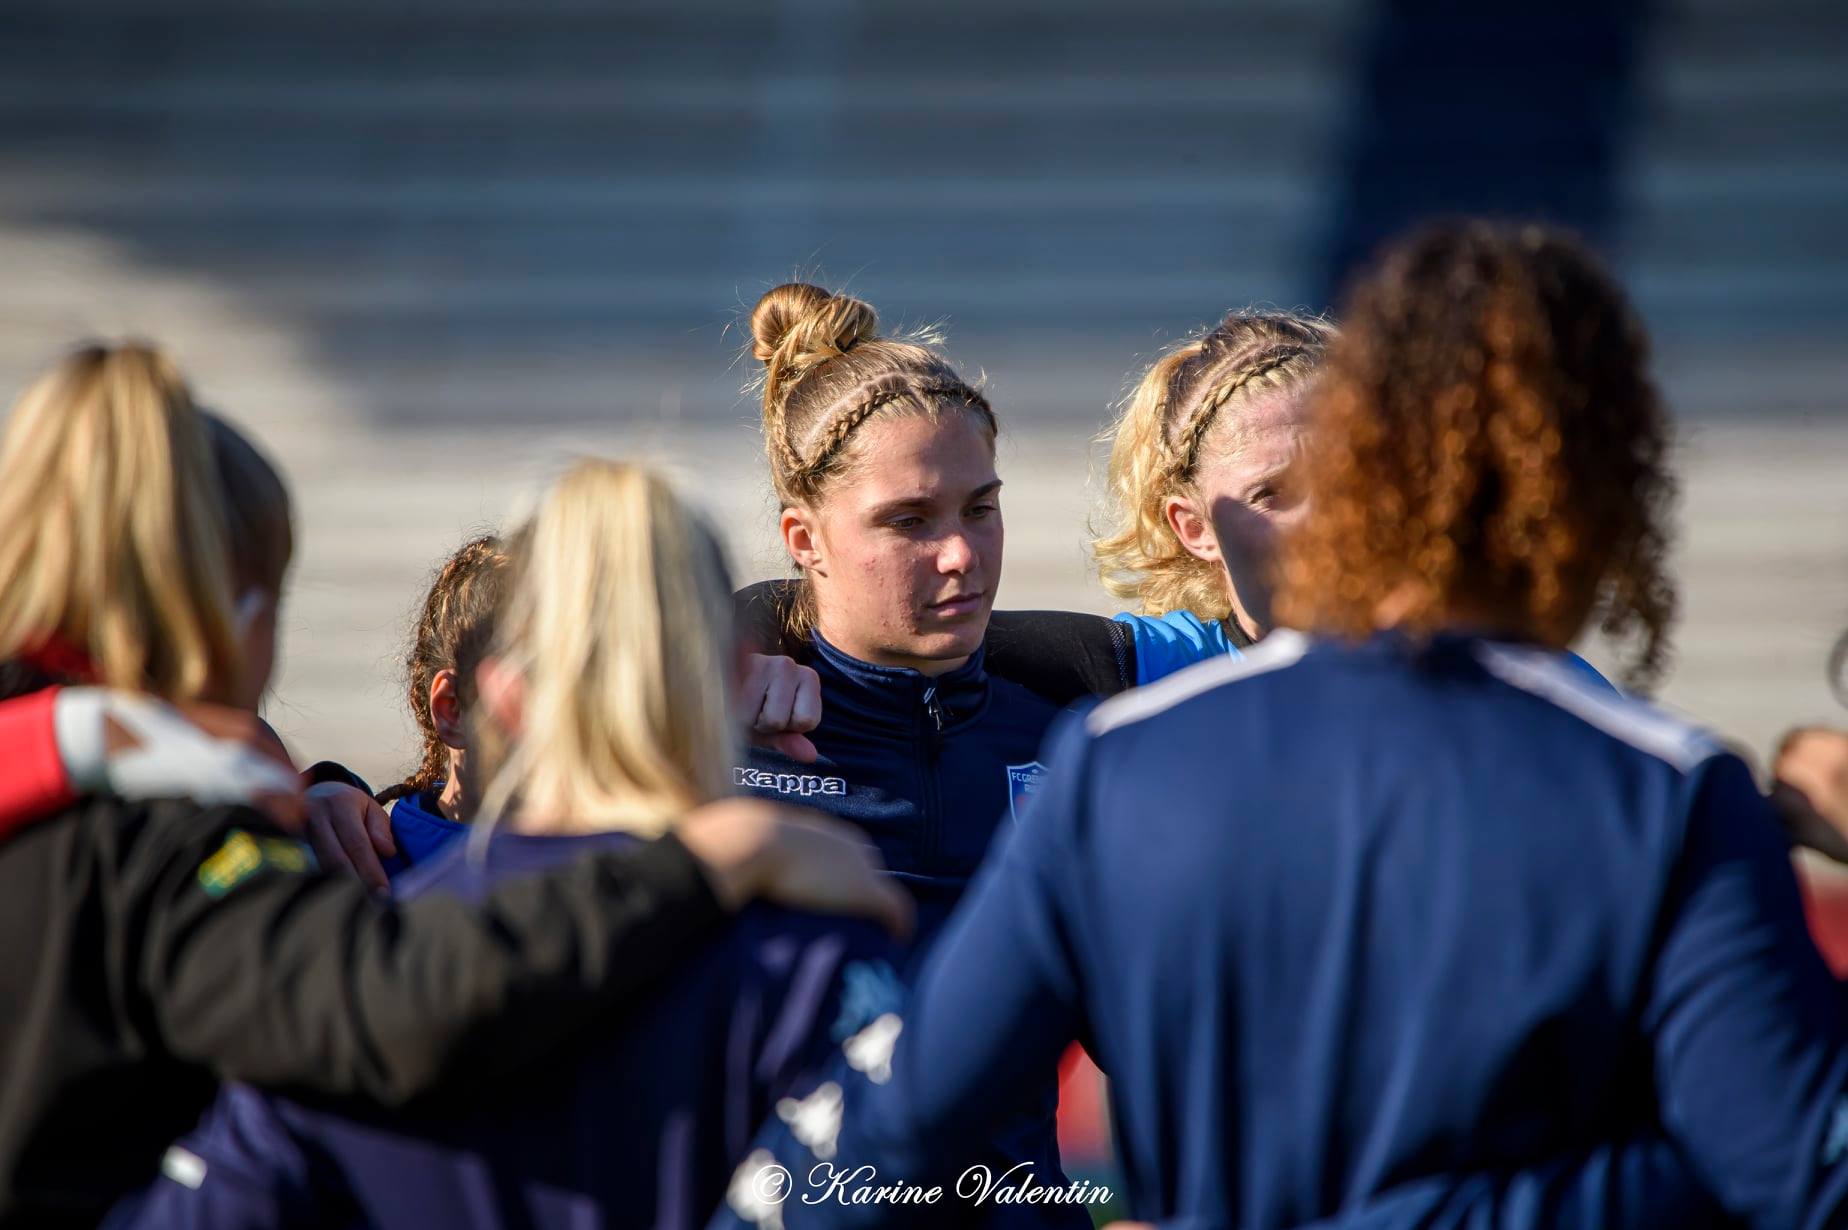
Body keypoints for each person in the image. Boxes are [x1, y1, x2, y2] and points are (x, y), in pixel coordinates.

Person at [717, 223, 1848, 1229]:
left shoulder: (1124, 761)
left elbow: (905, 1120)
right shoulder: (1661, 790)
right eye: (1272, 493)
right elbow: (1790, 1162)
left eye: (1339, 477)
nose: (1319, 522)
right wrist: (758, 637)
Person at [0, 342, 909, 1227]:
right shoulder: (813, 939)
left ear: (500, 697)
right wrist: (708, 859)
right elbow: (384, 1004)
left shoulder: (324, 896)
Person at [733, 283, 1085, 1225]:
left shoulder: (1070, 737)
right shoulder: (716, 745)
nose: (962, 555)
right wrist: (344, 797)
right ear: (804, 540)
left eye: (981, 509)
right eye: (910, 521)